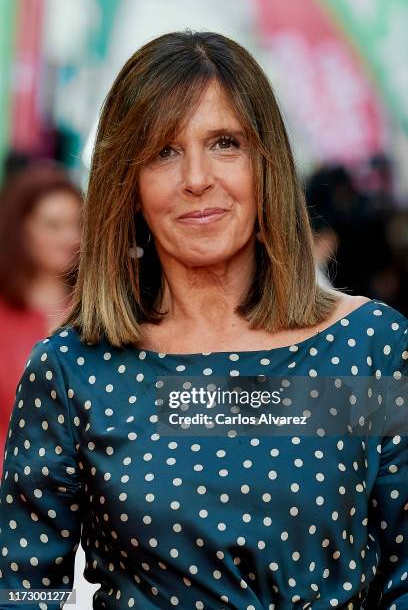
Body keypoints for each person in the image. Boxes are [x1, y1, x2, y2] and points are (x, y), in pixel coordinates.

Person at [0, 30, 406, 610]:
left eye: (224, 143)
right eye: (164, 151)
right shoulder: (72, 373)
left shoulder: (369, 346)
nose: (196, 178)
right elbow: (22, 589)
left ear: (266, 163)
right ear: (129, 185)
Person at [0, 160, 82, 476]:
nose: (70, 237)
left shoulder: (98, 312)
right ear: (21, 229)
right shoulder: (5, 315)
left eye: (77, 224)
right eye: (53, 224)